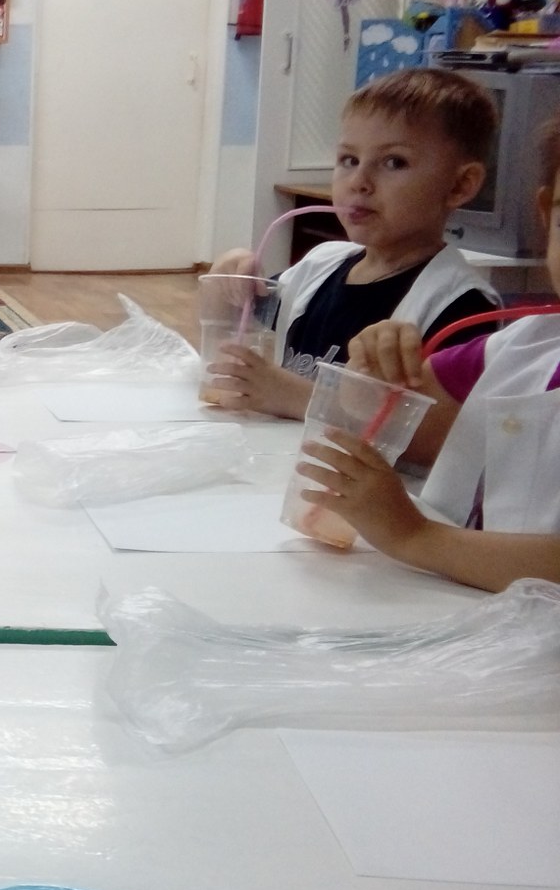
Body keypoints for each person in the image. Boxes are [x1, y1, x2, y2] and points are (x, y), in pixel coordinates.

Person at [297, 114, 560, 592]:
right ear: (547, 214)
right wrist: (371, 373)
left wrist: (412, 534)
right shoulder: (521, 349)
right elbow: (409, 426)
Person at [206, 67, 499, 419]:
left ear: (459, 185)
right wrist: (225, 280)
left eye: (394, 162)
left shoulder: (462, 305)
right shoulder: (318, 266)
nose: (359, 181)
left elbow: (430, 433)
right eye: (349, 160)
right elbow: (227, 330)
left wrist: (291, 395)